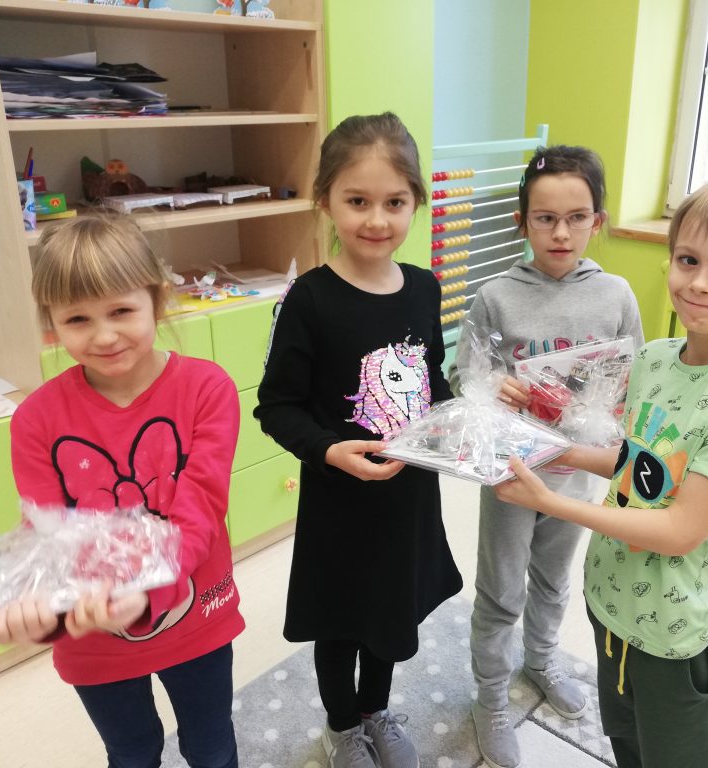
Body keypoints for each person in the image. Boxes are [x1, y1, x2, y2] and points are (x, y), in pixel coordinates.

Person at [495, 170, 708, 768]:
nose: (700, 283)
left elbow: (678, 529)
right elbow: (644, 465)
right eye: (688, 259)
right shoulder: (657, 360)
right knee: (626, 743)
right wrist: (563, 453)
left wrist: (551, 501)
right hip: (611, 599)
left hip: (674, 631)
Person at [0, 215, 244, 768]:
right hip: (95, 639)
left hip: (195, 616)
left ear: (156, 299)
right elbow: (46, 531)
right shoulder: (36, 418)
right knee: (130, 752)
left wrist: (147, 589)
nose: (103, 336)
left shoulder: (207, 389)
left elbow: (200, 511)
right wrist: (33, 599)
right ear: (52, 321)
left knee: (211, 746)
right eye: (77, 318)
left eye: (121, 311)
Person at [253, 112, 463, 768]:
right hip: (340, 503)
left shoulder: (425, 287)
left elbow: (431, 379)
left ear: (416, 202)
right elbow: (276, 406)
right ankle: (342, 726)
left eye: (395, 202)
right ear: (326, 202)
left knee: (388, 617)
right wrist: (327, 450)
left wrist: (465, 420)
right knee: (341, 622)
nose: (377, 219)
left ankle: (375, 710)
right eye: (358, 201)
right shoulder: (310, 300)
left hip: (408, 498)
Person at [451, 145, 644, 768]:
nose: (561, 233)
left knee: (555, 581)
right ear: (522, 221)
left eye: (576, 217)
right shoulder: (495, 296)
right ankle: (490, 699)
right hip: (512, 471)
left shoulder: (616, 296)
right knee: (501, 590)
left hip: (577, 472)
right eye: (545, 218)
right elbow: (465, 380)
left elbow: (633, 380)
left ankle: (540, 661)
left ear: (598, 221)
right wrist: (495, 387)